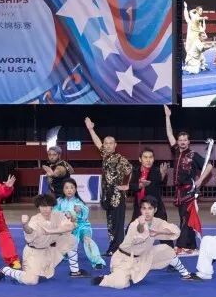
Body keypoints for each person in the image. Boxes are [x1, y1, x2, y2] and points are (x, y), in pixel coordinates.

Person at [92, 196, 198, 289]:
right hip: (124, 259)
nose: (147, 212)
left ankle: (185, 274)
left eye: (150, 208)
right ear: (141, 210)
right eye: (144, 208)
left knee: (166, 250)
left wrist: (158, 232)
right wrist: (142, 225)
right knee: (121, 284)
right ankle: (105, 278)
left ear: (155, 210)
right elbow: (139, 235)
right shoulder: (135, 224)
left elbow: (176, 231)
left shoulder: (157, 222)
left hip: (143, 257)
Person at [0, 194, 79, 285]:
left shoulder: (58, 215)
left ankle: (75, 270)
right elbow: (29, 231)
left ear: (52, 206)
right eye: (42, 206)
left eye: (48, 206)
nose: (45, 209)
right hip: (34, 253)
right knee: (31, 281)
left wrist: (51, 231)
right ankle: (7, 270)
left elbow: (70, 226)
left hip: (49, 249)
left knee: (71, 239)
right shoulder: (35, 220)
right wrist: (25, 224)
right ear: (38, 207)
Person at [164, 105, 213, 255]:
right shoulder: (176, 151)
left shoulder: (193, 155)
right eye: (180, 140)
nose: (182, 142)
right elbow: (169, 134)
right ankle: (191, 246)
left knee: (185, 218)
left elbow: (209, 166)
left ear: (188, 141)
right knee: (185, 217)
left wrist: (200, 181)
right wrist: (167, 117)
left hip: (189, 191)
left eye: (185, 140)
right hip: (179, 191)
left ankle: (182, 246)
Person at [84, 116, 132, 256]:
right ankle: (113, 248)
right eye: (106, 143)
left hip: (117, 196)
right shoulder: (105, 155)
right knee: (110, 223)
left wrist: (126, 185)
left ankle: (119, 249)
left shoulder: (121, 159)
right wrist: (91, 130)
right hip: (107, 195)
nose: (108, 145)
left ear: (115, 145)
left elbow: (130, 171)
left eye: (111, 143)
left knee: (117, 224)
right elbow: (97, 143)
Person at [55, 178, 106, 271]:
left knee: (87, 240)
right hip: (66, 229)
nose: (69, 190)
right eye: (66, 188)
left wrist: (80, 210)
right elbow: (54, 214)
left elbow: (85, 213)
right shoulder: (59, 201)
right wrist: (63, 216)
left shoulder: (79, 202)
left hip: (82, 227)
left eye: (72, 187)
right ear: (63, 189)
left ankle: (97, 261)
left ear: (75, 189)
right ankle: (63, 253)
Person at [129, 148, 169, 224]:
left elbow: (162, 184)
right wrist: (140, 186)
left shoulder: (157, 171)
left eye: (151, 157)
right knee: (131, 229)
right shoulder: (135, 171)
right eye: (145, 157)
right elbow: (131, 186)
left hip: (155, 209)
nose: (148, 160)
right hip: (139, 209)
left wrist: (163, 176)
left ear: (153, 159)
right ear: (140, 159)